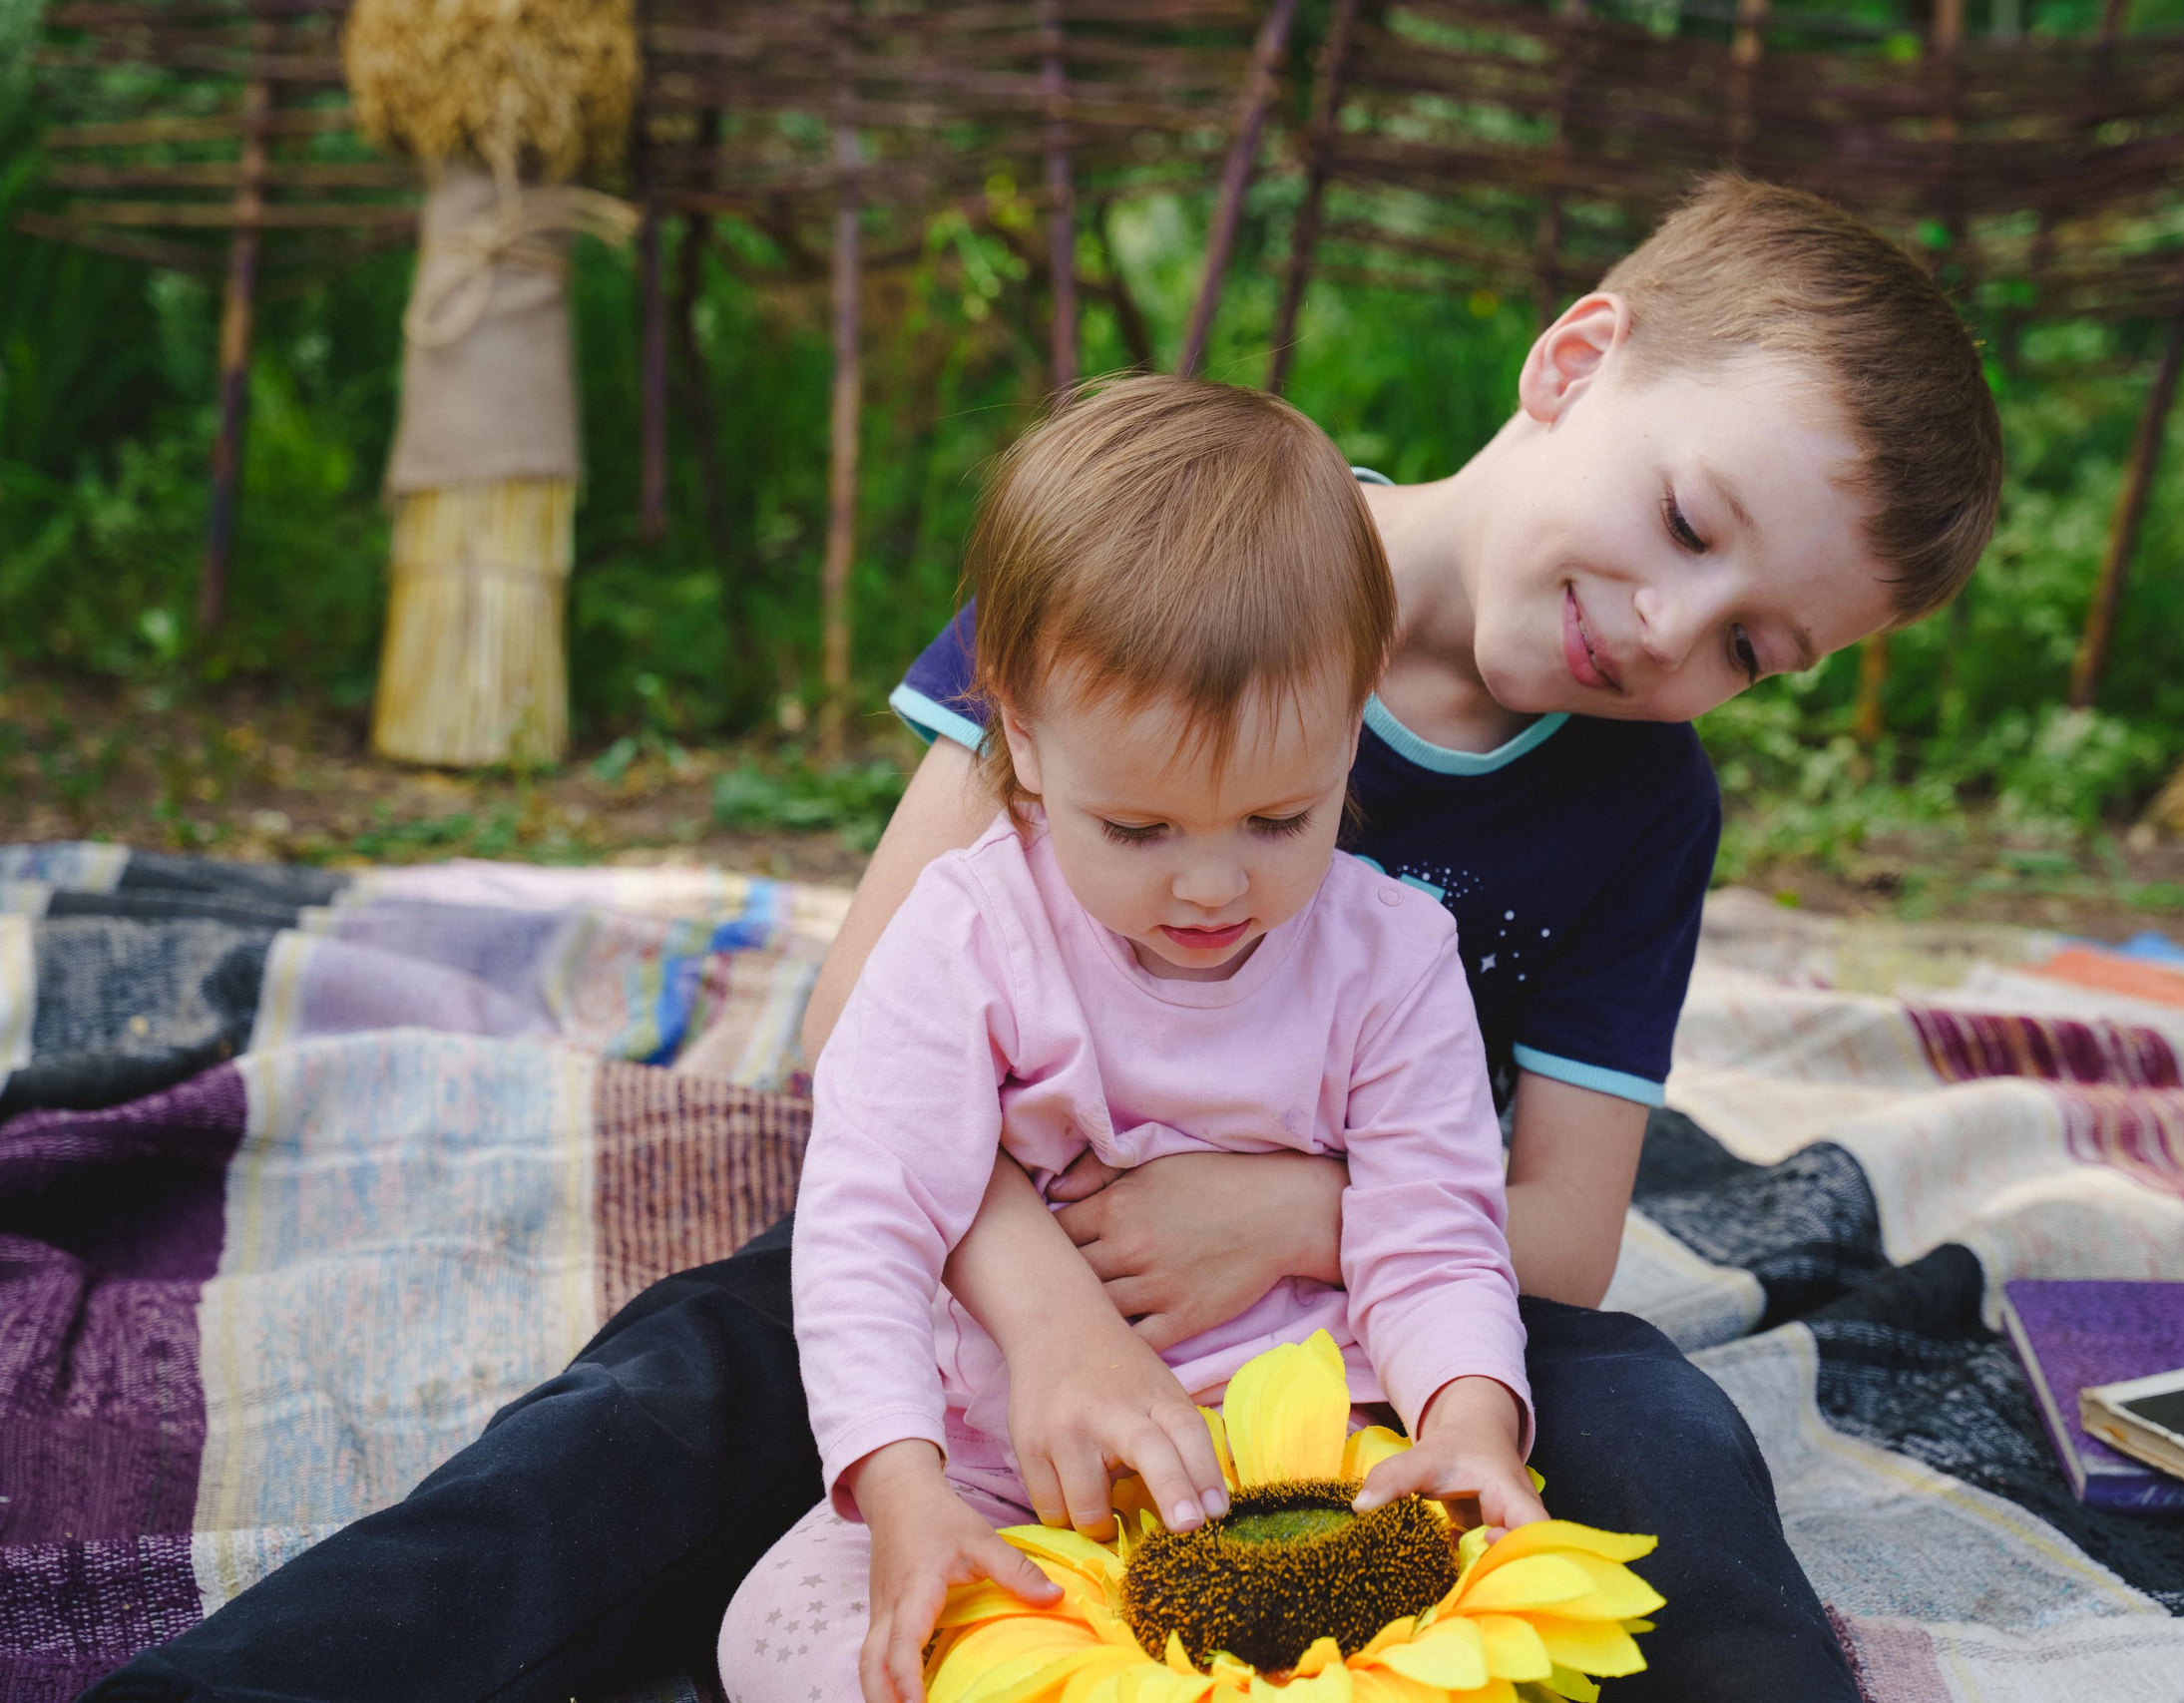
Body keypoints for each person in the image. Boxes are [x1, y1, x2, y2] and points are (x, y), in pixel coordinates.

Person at [85, 175, 1998, 1703]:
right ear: (1580, 358)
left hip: (1370, 1318)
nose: (1679, 632)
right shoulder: (1157, 553)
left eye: (1759, 646)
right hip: (976, 1226)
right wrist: (1052, 1302)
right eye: (1686, 522)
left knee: (1656, 1414)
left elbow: (1557, 1235)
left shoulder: (1639, 803)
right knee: (677, 1396)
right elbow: (867, 1032)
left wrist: (1278, 1220)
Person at [720, 375, 1546, 1703]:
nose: (1213, 889)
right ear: (1027, 743)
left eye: (1281, 820)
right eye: (1142, 831)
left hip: (1305, 1473)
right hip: (1003, 1459)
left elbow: (1438, 1232)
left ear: (1354, 722)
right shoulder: (968, 937)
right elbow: (868, 1222)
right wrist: (906, 1487)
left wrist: (1465, 1425)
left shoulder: (1390, 959)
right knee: (781, 1642)